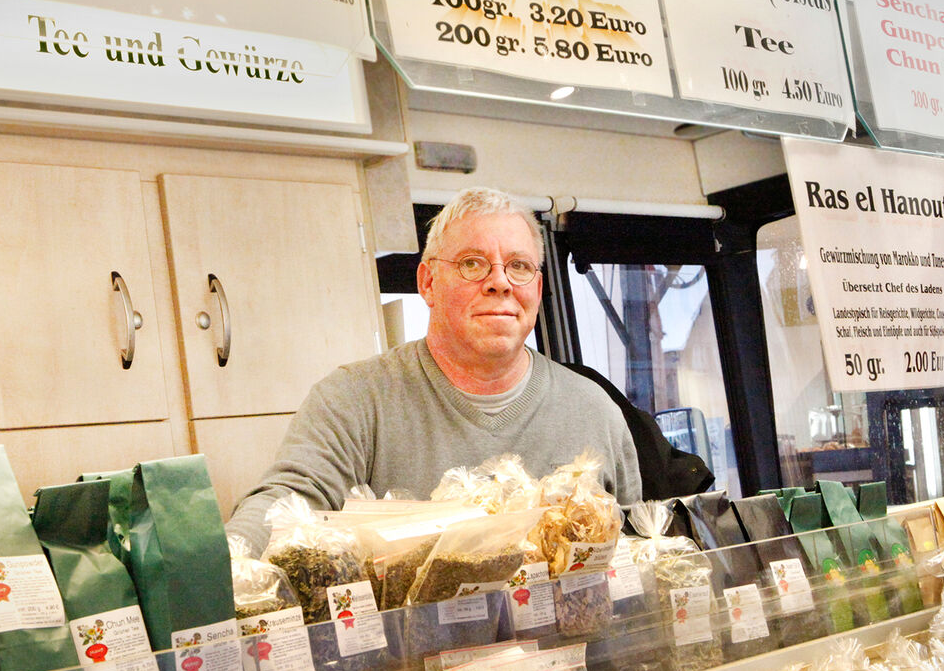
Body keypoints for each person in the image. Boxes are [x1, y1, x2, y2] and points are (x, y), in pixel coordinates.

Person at [224, 186, 642, 554]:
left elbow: (633, 552)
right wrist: (226, 563)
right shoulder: (353, 400)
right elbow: (286, 503)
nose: (500, 282)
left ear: (537, 286)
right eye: (472, 263)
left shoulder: (595, 411)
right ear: (427, 283)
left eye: (519, 266)